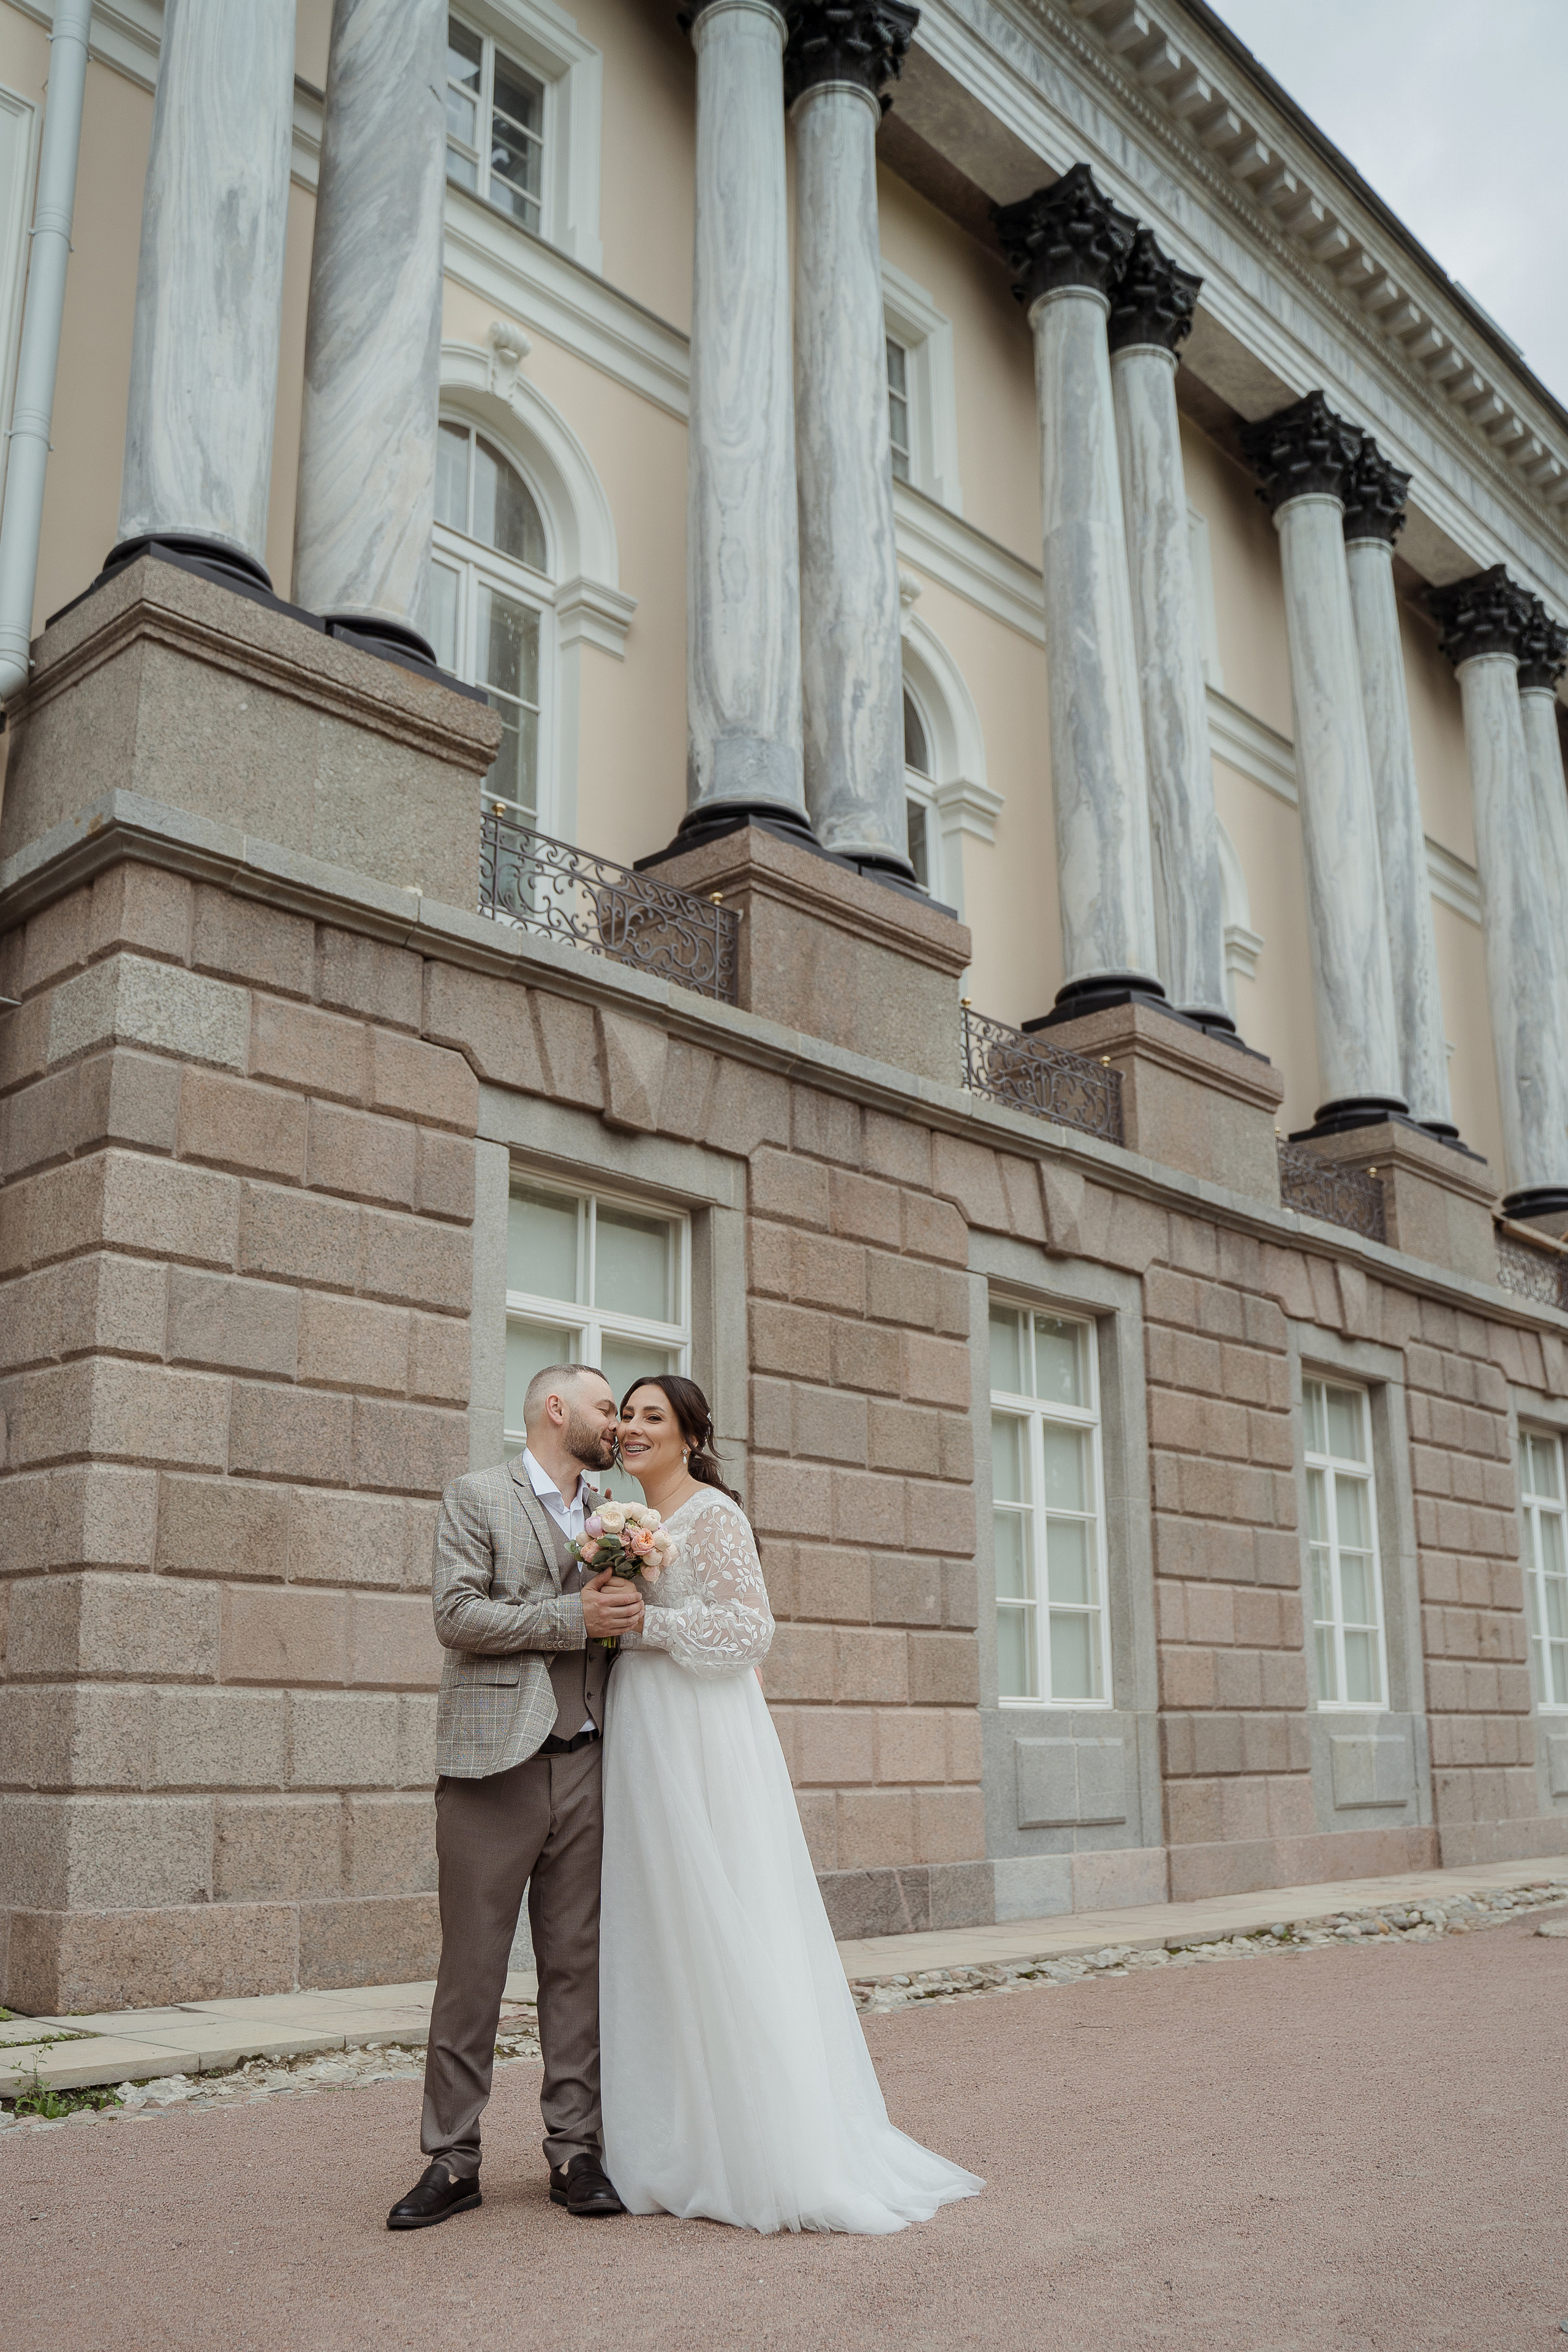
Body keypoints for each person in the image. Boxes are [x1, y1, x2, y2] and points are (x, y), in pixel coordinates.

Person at [599, 1373, 983, 2234]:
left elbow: (751, 1631)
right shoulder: (631, 1526)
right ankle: (667, 2132)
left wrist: (645, 1628)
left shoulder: (714, 1515)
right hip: (644, 1731)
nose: (630, 1428)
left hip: (702, 1732)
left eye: (650, 1416)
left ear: (691, 1436)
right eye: (624, 1415)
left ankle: (757, 2140)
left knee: (722, 1912)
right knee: (657, 1919)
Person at [387, 1363, 643, 2230]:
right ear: (553, 1408)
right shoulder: (475, 1495)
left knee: (578, 1969)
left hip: (590, 1763)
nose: (618, 1424)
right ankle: (451, 2162)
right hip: (492, 1770)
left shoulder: (616, 1513)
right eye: (608, 1408)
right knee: (473, 1974)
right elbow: (456, 1616)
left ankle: (576, 2152)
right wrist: (572, 1620)